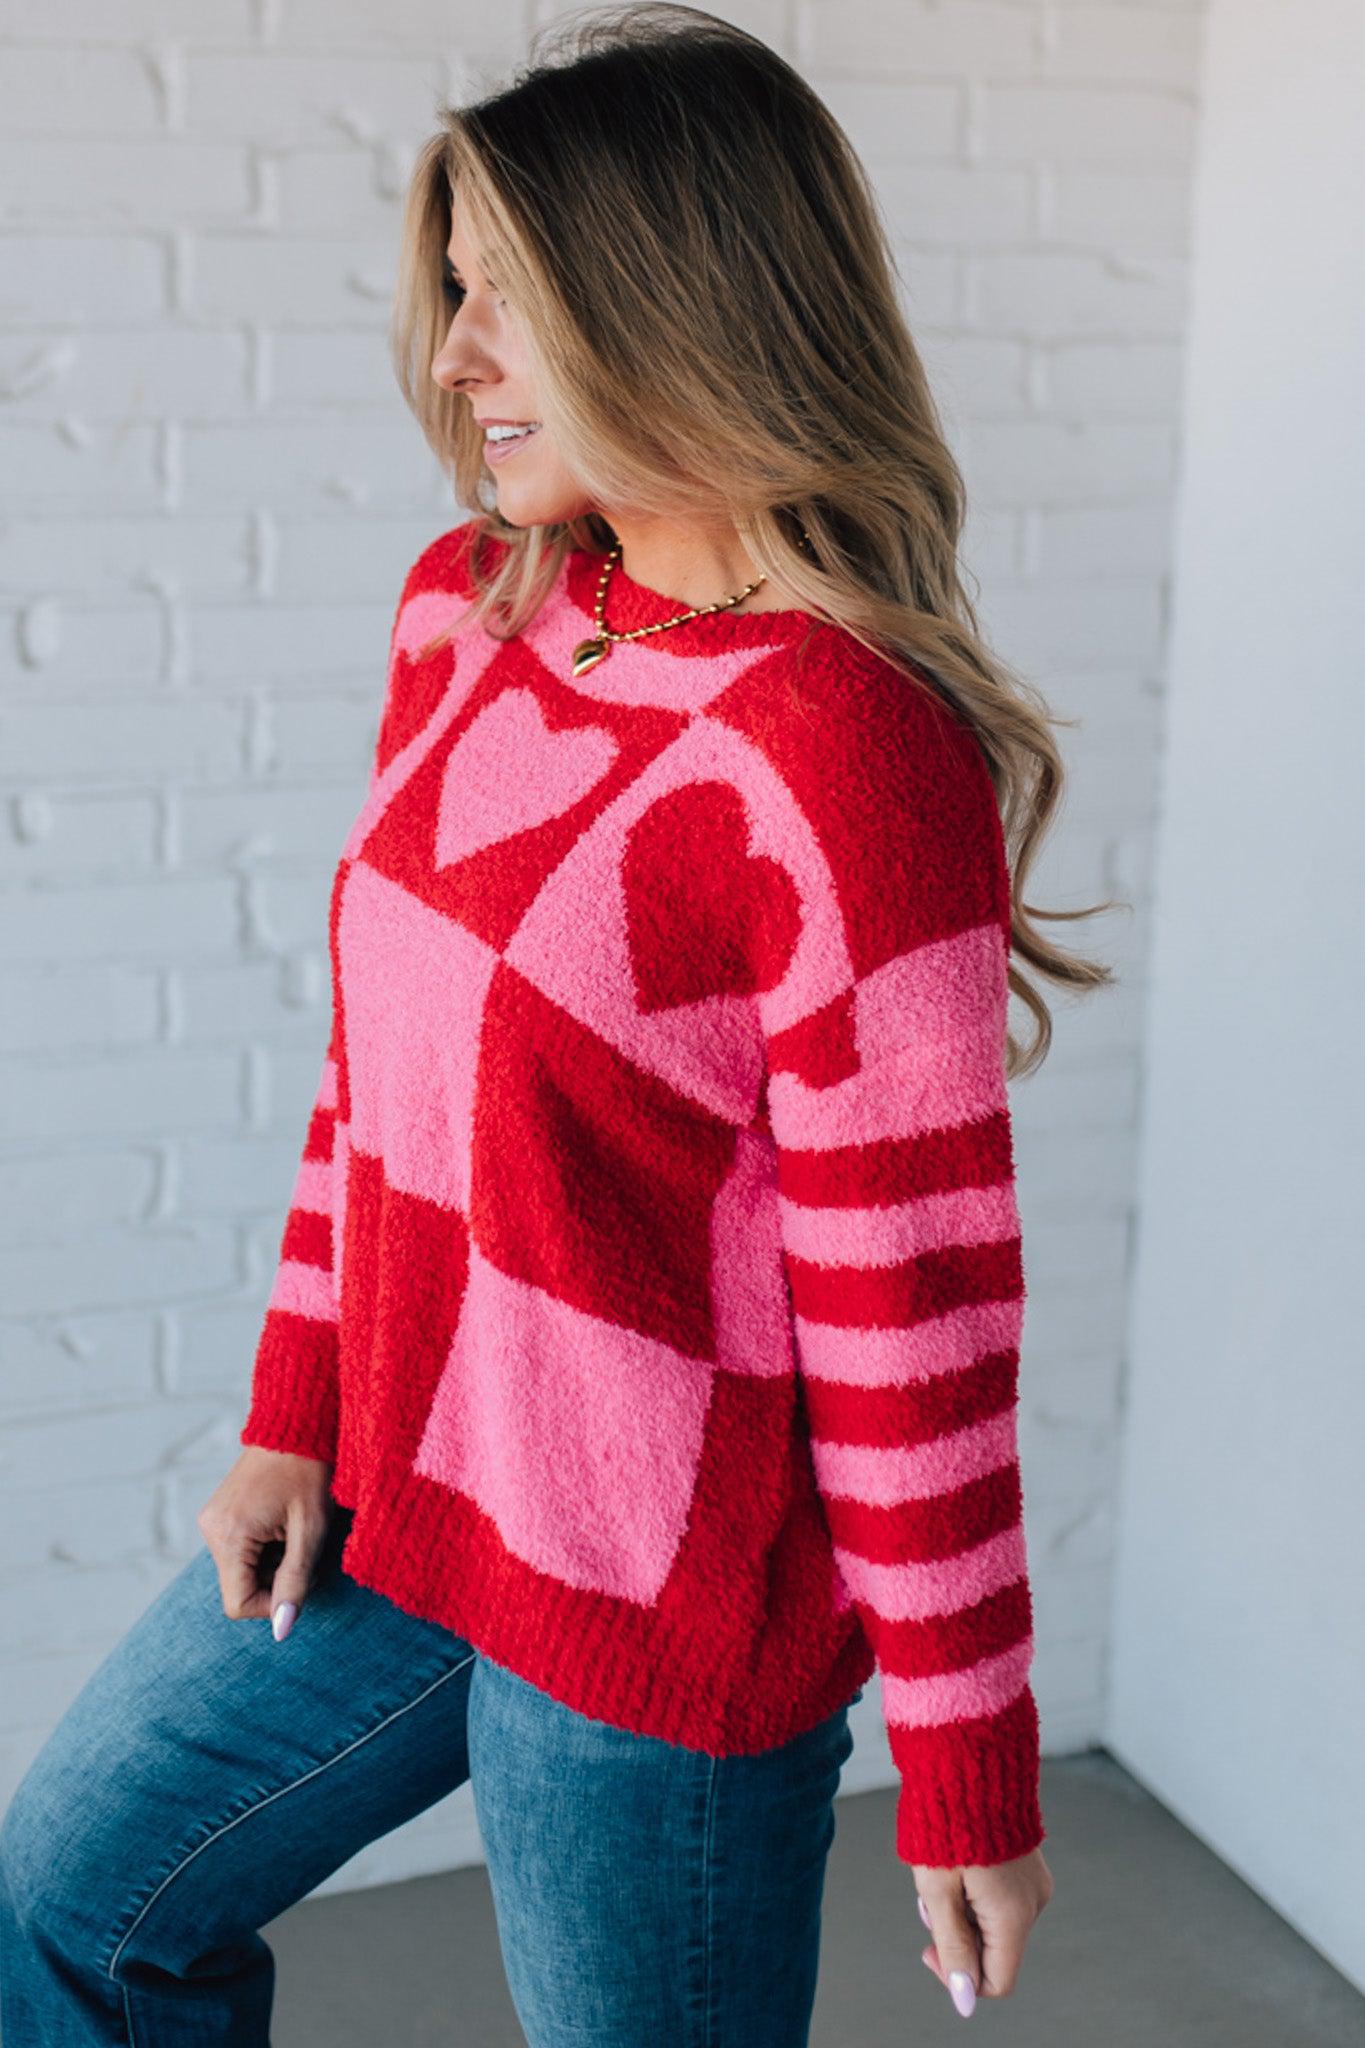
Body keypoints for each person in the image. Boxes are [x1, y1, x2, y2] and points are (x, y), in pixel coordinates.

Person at [0, 5, 1116, 2042]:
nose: (452, 359)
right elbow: (380, 1078)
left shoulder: (841, 752)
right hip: (399, 1497)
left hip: (657, 1610)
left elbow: (913, 1305)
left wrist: (966, 1751)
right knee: (70, 1905)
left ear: (676, 304)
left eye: (505, 298)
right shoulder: (472, 604)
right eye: (452, 292)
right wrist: (290, 1406)